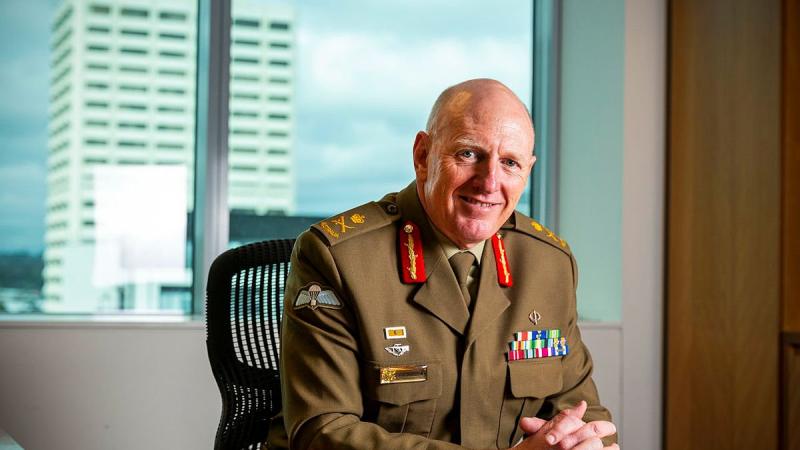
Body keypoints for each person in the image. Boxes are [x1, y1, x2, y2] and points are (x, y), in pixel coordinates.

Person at [267, 79, 618, 449]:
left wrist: (584, 442)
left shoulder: (548, 263)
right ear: (423, 155)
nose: (489, 183)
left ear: (527, 171)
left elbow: (581, 411)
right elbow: (323, 432)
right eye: (469, 154)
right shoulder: (338, 259)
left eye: (510, 163)